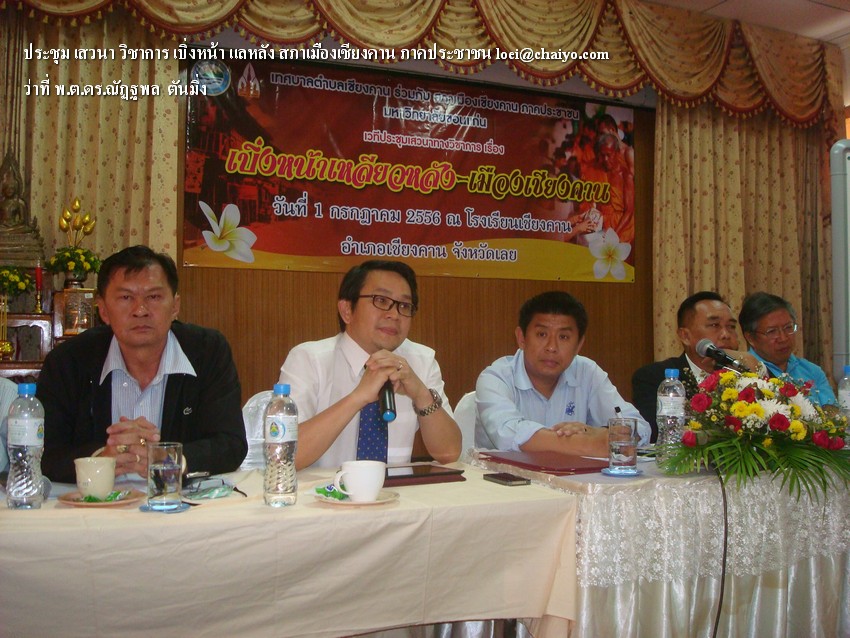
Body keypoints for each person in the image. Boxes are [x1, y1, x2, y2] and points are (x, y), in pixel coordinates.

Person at [37, 245, 247, 483]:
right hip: (97, 503)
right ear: (103, 310)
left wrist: (169, 460)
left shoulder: (208, 351)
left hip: (178, 501)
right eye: (126, 297)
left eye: (154, 297)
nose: (140, 310)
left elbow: (231, 444)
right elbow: (45, 453)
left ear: (175, 306)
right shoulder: (68, 361)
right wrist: (101, 459)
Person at [279, 260, 461, 469]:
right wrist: (359, 397)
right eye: (381, 300)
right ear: (347, 310)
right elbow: (285, 456)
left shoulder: (422, 360)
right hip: (326, 489)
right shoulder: (308, 359)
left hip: (400, 490)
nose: (394, 314)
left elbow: (450, 453)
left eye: (404, 306)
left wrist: (422, 395)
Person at [475, 291, 650, 455]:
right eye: (542, 334)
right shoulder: (496, 377)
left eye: (563, 337)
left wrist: (597, 432)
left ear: (579, 345)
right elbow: (508, 435)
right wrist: (591, 444)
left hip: (578, 476)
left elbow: (640, 427)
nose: (552, 347)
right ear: (521, 338)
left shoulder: (587, 372)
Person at [631, 291, 763, 441]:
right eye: (714, 325)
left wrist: (751, 365)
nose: (726, 334)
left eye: (731, 326)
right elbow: (657, 432)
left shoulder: (744, 373)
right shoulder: (654, 377)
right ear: (685, 336)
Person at [739, 291, 837, 406]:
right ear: (750, 338)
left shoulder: (812, 371)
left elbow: (833, 413)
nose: (783, 338)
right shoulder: (743, 374)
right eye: (772, 331)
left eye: (788, 327)